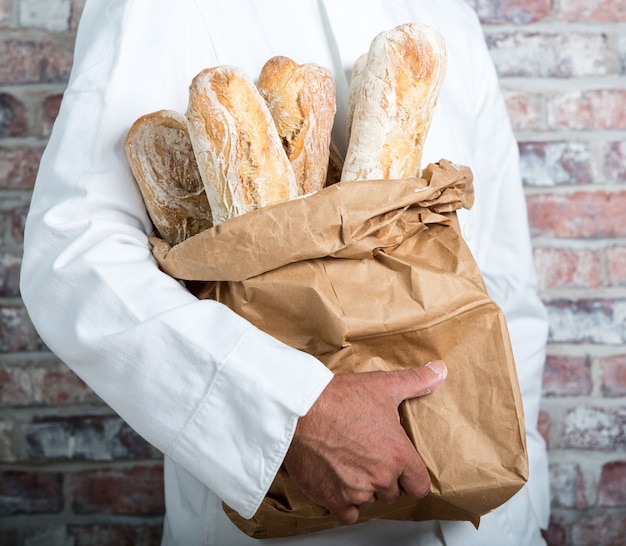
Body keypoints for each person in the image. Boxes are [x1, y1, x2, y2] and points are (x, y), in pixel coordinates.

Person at [19, 1, 550, 544]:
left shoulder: (445, 15)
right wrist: (293, 412)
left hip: (494, 524)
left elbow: (504, 274)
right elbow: (74, 251)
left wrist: (529, 499)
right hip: (298, 521)